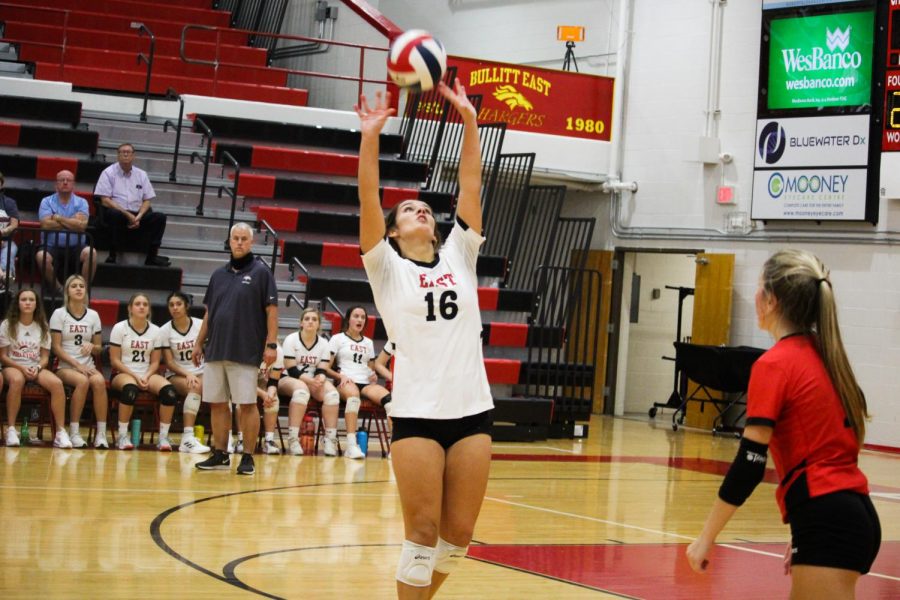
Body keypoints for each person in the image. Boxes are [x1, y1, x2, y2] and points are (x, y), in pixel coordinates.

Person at [357, 80, 494, 598]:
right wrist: (371, 136)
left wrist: (469, 122)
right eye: (406, 210)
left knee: (458, 537)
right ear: (393, 231)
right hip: (416, 412)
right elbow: (368, 196)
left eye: (423, 209)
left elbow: (471, 188)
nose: (418, 210)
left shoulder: (460, 253)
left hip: (472, 409)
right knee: (421, 534)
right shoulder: (386, 268)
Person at [686, 249, 881, 599]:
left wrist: (705, 538)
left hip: (828, 521)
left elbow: (750, 463)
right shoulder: (825, 353)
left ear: (771, 300)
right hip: (845, 514)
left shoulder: (774, 364)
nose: (754, 296)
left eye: (759, 287)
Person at [193, 222, 279, 476]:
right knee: (218, 404)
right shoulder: (218, 275)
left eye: (244, 238)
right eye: (235, 238)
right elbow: (209, 313)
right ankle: (220, 453)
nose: (239, 242)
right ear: (229, 241)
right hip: (216, 348)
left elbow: (272, 312)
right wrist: (199, 342)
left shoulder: (262, 273)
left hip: (245, 349)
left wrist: (271, 344)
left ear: (251, 242)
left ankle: (248, 457)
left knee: (246, 404)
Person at [319, 305, 392, 460]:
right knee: (353, 398)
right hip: (346, 381)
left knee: (390, 401)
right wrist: (340, 376)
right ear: (348, 319)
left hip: (365, 382)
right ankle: (351, 446)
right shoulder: (337, 339)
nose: (360, 320)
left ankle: (395, 446)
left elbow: (371, 367)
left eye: (363, 317)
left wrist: (373, 375)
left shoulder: (368, 343)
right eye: (356, 316)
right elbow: (325, 368)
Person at [0, 288, 70, 448]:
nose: (27, 303)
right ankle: (11, 429)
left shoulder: (42, 326)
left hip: (35, 367)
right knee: (17, 380)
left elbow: (45, 357)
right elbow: (3, 356)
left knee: (57, 384)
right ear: (17, 303)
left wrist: (37, 367)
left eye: (31, 300)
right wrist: (21, 368)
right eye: (23, 299)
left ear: (36, 304)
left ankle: (60, 432)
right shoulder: (7, 324)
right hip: (13, 365)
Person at [108, 293, 177, 451]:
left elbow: (155, 362)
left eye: (145, 304)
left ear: (149, 309)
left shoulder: (156, 331)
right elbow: (115, 361)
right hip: (122, 373)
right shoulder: (120, 328)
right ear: (130, 308)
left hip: (147, 373)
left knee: (170, 392)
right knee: (130, 390)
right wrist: (135, 376)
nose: (141, 307)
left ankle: (163, 438)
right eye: (137, 304)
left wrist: (145, 376)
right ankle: (123, 436)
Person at [49, 275, 109, 448]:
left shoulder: (93, 315)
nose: (78, 288)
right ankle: (74, 432)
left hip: (87, 365)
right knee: (82, 381)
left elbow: (99, 347)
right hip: (65, 366)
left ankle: (101, 434)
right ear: (67, 290)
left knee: (98, 382)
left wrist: (92, 346)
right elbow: (56, 347)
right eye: (74, 286)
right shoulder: (59, 314)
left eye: (81, 286)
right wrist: (77, 365)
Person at [94, 143, 170, 267]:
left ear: (133, 156)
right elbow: (105, 200)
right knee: (113, 214)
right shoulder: (108, 173)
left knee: (160, 217)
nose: (125, 154)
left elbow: (147, 200)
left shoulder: (141, 174)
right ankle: (112, 254)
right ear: (118, 155)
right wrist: (127, 215)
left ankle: (152, 256)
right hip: (118, 211)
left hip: (137, 213)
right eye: (122, 152)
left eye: (128, 152)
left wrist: (139, 216)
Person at [279, 307, 341, 456]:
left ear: (319, 325)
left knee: (332, 394)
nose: (310, 322)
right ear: (301, 323)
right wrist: (311, 381)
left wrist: (320, 379)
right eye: (307, 319)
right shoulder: (291, 339)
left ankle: (330, 439)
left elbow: (322, 369)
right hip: (289, 378)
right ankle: (293, 439)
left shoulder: (324, 343)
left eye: (314, 319)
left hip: (312, 380)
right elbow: (291, 369)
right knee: (301, 391)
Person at [157, 291, 211, 454]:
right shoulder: (164, 330)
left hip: (202, 371)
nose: (175, 308)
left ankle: (228, 438)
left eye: (178, 304)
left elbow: (209, 351)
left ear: (187, 306)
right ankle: (187, 438)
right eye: (171, 305)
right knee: (195, 386)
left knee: (222, 387)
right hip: (177, 374)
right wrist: (187, 374)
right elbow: (169, 362)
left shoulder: (200, 324)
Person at [35, 170, 97, 291]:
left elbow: (81, 226)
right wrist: (71, 221)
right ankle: (59, 288)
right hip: (50, 245)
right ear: (56, 185)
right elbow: (46, 224)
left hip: (76, 246)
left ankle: (82, 288)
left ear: (73, 184)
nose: (65, 182)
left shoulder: (82, 202)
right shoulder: (46, 201)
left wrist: (58, 218)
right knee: (41, 256)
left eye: (68, 180)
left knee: (91, 253)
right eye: (61, 180)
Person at [0, 171, 20, 287]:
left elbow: (14, 224)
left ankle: (4, 282)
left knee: (10, 250)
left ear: (1, 185)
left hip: (6, 240)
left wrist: (2, 232)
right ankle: (4, 277)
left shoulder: (9, 202)